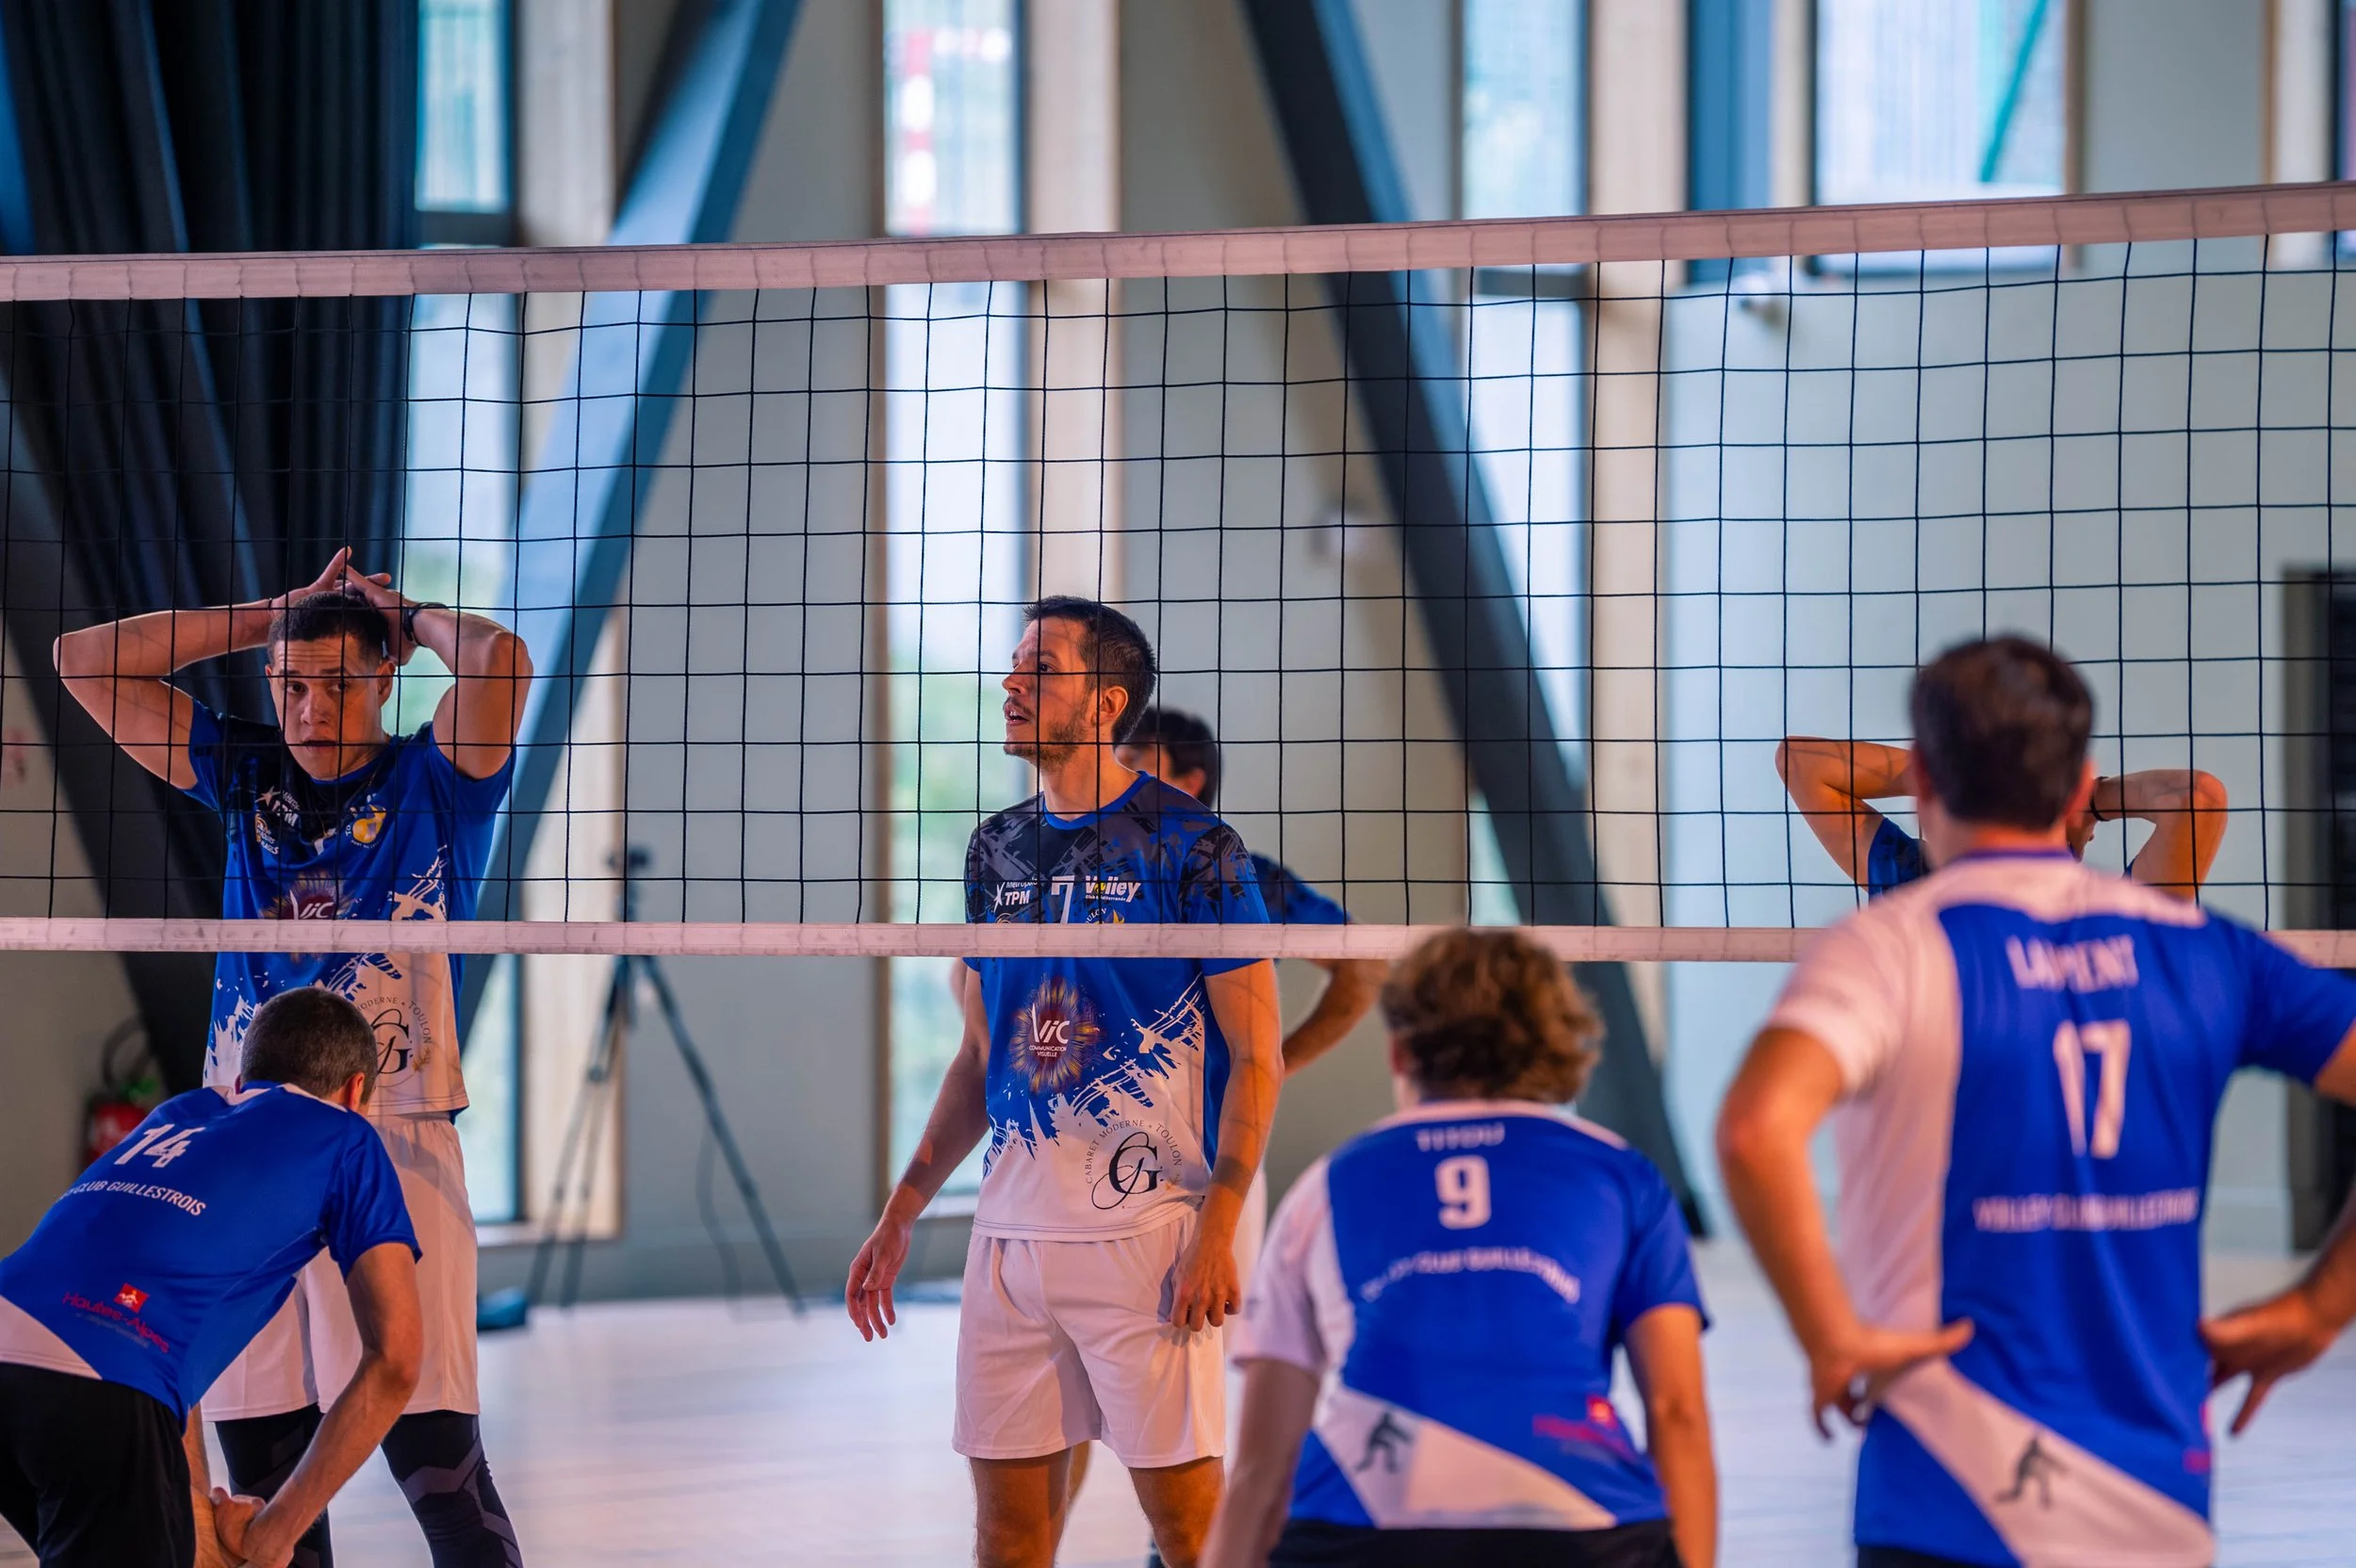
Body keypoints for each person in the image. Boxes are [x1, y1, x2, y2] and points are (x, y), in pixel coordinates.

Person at [1720, 636, 2356, 1567]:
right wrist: (2317, 1309)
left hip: (1941, 1476)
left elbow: (1752, 1129)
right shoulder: (2195, 946)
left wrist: (1827, 1334)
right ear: (2074, 785)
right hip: (2151, 1494)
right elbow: (1800, 763)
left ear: (1928, 779)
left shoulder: (1889, 943)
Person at [54, 549, 531, 1567]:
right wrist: (268, 617)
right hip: (246, 1149)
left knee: (437, 1462)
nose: (312, 708)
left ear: (388, 677)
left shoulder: (434, 781)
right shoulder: (245, 773)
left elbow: (502, 661)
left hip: (391, 1129)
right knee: (264, 1489)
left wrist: (400, 611)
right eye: (294, 685)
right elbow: (80, 662)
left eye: (341, 683)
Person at [846, 596, 1283, 1568]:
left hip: (1145, 1240)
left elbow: (1259, 1053)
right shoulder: (993, 847)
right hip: (1007, 1239)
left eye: (1039, 668)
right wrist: (905, 1203)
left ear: (1104, 700)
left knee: (1190, 1532)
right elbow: (976, 1055)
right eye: (1012, 665)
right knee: (1009, 1534)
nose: (1011, 683)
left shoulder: (1196, 847)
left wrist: (1219, 1220)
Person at [1204, 927, 1716, 1568]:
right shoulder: (1623, 1175)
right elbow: (1677, 1415)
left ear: (1400, 1053)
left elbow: (1259, 1468)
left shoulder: (1327, 1185)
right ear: (1557, 1043)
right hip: (1585, 1525)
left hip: (1365, 1523)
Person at [0, 987, 423, 1568]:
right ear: (355, 1090)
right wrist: (275, 1534)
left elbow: (161, 1297)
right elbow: (397, 1359)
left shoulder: (179, 1114)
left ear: (248, 1075)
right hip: (102, 1376)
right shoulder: (346, 1135)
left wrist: (194, 1511)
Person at [1775, 733, 2228, 898]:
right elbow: (1799, 761)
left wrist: (2090, 800)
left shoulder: (2103, 922)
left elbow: (2198, 800)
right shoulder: (1918, 882)